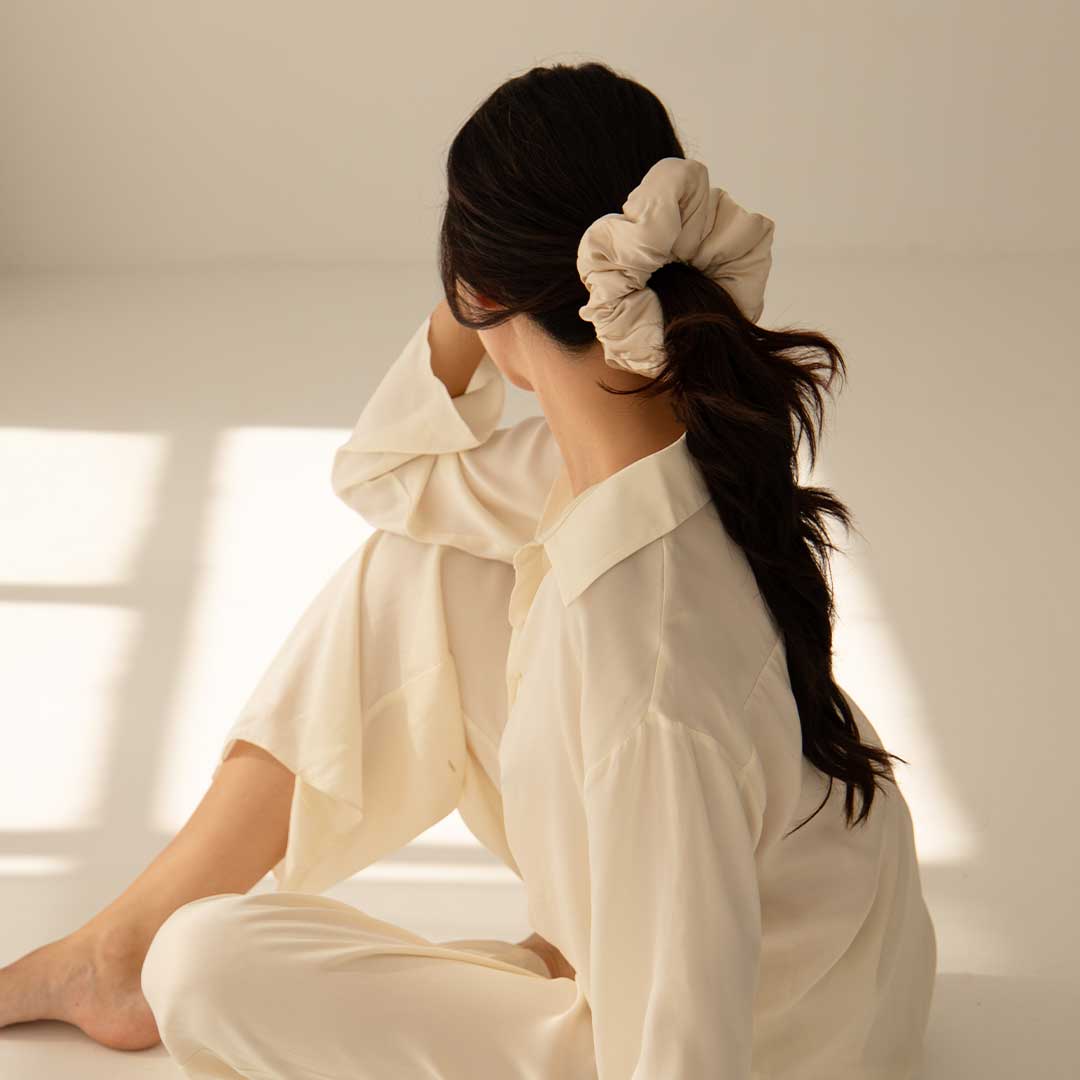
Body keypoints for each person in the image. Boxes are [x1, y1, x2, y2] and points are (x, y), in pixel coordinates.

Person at [0, 59, 936, 1078]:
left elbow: (686, 1057)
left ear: (480, 291)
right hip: (827, 937)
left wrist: (469, 284)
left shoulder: (648, 661)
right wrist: (488, 288)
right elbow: (386, 476)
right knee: (420, 565)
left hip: (778, 1041)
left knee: (208, 966)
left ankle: (191, 957)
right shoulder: (650, 449)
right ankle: (119, 948)